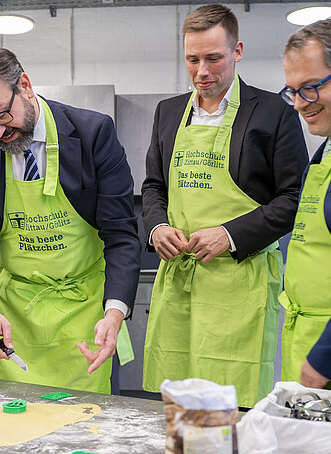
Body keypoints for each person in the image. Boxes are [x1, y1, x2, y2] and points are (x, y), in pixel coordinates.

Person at [141, 4, 308, 408]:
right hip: (179, 281)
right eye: (192, 59)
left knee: (234, 405)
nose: (202, 71)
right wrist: (157, 227)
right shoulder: (168, 112)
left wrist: (230, 234)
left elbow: (294, 199)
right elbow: (154, 186)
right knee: (176, 402)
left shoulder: (274, 112)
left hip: (241, 282)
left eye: (213, 58)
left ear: (237, 51)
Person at [0, 45, 140, 393]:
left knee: (84, 419)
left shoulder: (92, 134)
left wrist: (114, 313)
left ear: (24, 85)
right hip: (16, 319)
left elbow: (121, 236)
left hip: (85, 313)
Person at [280, 18, 331, 388]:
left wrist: (324, 356)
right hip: (305, 340)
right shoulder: (323, 154)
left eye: (311, 88)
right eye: (293, 91)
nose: (299, 104)